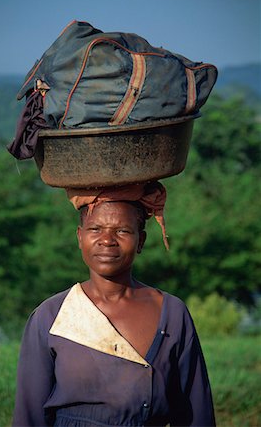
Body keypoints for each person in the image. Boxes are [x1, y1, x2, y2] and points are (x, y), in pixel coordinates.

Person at [13, 181, 215, 427]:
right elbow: (29, 417)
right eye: (95, 229)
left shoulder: (172, 313)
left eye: (122, 231)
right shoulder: (51, 316)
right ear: (80, 237)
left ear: (140, 240)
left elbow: (196, 414)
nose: (107, 240)